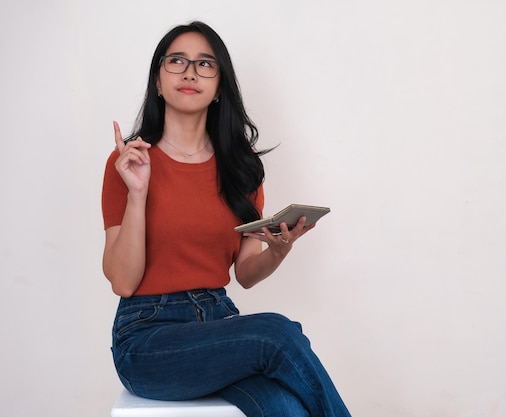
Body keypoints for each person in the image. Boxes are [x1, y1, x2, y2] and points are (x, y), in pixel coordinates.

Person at [101, 21, 351, 417]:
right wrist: (137, 194)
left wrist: (278, 250)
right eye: (177, 61)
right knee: (279, 333)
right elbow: (122, 280)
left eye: (205, 64)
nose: (190, 72)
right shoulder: (130, 163)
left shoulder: (242, 169)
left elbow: (246, 274)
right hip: (147, 339)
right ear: (158, 81)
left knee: (286, 407)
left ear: (220, 87)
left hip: (219, 324)